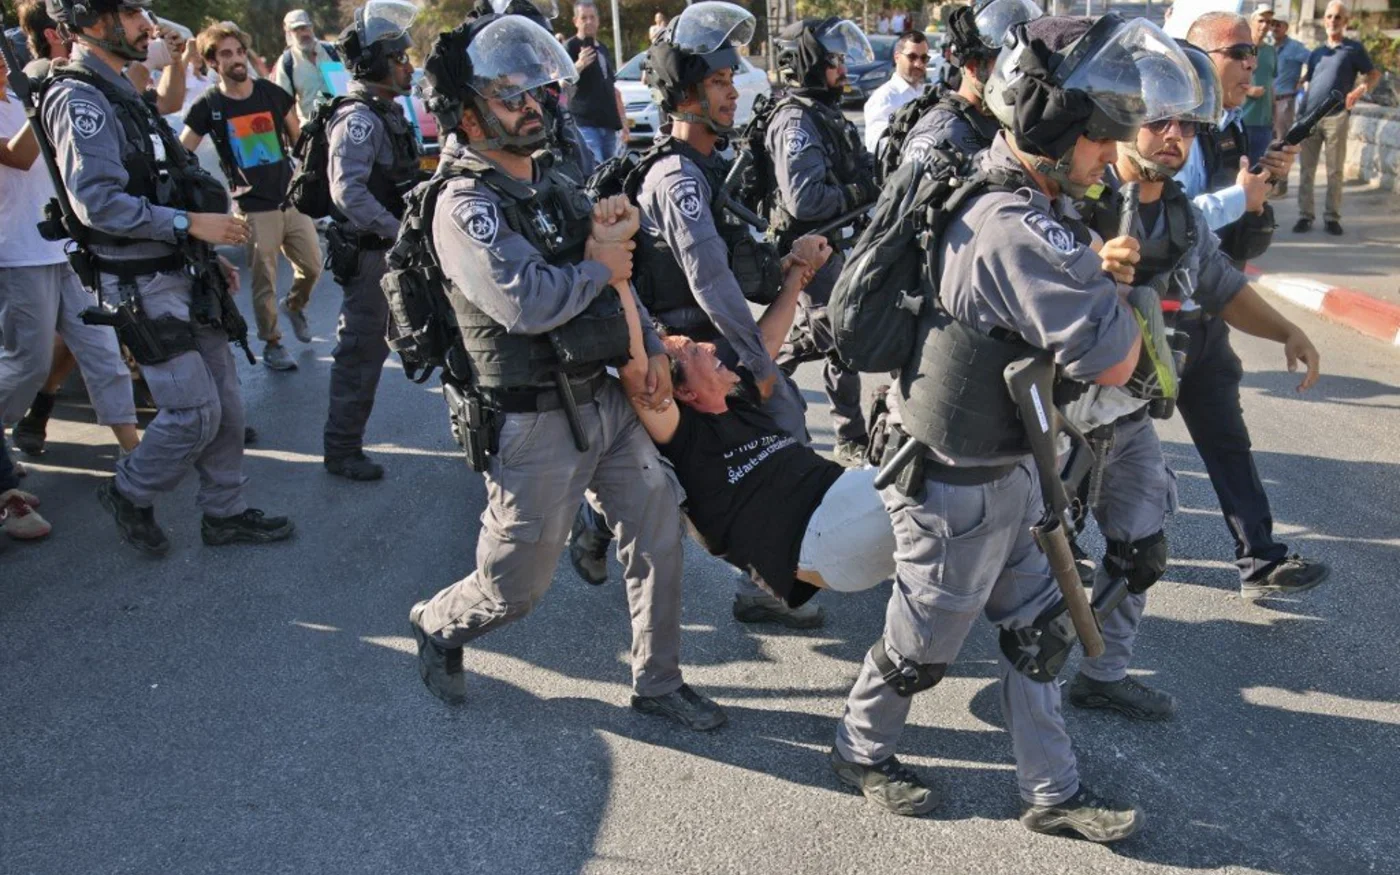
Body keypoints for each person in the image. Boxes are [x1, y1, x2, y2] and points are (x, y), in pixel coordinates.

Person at [829, 14, 1202, 840]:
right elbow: (1109, 359)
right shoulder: (1014, 224)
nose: (1111, 155)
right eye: (1099, 140)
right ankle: (859, 745)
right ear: (1057, 133)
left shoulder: (1028, 199)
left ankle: (1053, 791)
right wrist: (1112, 291)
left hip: (1006, 467)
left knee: (1037, 632)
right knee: (919, 649)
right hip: (953, 485)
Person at [405, 14, 725, 733]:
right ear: (466, 113)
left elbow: (620, 282)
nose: (533, 106)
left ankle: (659, 681)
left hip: (605, 396)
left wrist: (647, 347)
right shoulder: (465, 205)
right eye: (509, 96)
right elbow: (525, 301)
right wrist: (598, 264)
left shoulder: (554, 177)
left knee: (658, 523)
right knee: (514, 587)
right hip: (534, 421)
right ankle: (437, 622)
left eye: (535, 91)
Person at [1071, 44, 1322, 720]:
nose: (1175, 135)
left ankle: (1103, 671)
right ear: (1126, 122)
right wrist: (1092, 266)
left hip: (1124, 415)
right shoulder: (1072, 200)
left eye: (1186, 124)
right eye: (1159, 122)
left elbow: (1224, 287)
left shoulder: (1180, 216)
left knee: (1142, 547)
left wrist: (1288, 333)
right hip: (1052, 417)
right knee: (1028, 564)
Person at [568, 2, 827, 630]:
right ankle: (598, 521)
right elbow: (710, 279)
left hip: (707, 342)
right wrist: (758, 365)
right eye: (717, 82)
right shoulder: (676, 178)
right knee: (690, 468)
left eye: (731, 80)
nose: (731, 93)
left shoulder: (707, 168)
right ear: (684, 94)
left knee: (776, 432)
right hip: (671, 350)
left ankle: (768, 582)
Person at [38, 0, 293, 555]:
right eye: (128, 13)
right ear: (89, 21)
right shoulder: (78, 97)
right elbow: (98, 205)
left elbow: (164, 177)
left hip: (182, 267)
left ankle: (224, 512)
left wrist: (201, 248)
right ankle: (130, 491)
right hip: (141, 282)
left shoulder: (121, 90)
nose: (143, 24)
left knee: (226, 402)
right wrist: (189, 223)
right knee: (193, 411)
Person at [612, 231, 902, 604]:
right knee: (940, 488)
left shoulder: (740, 401)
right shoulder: (687, 437)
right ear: (682, 391)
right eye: (693, 351)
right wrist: (618, 279)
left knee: (971, 499)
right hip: (817, 536)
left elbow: (763, 344)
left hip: (841, 499)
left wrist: (798, 272)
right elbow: (637, 377)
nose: (708, 345)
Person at [1178, 10, 1328, 596]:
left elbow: (1234, 239)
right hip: (1147, 318)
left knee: (1226, 439)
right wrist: (1239, 198)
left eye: (1253, 52)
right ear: (1199, 59)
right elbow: (1176, 219)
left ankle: (1260, 560)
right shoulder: (1174, 124)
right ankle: (1048, 553)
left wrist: (1261, 193)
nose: (1250, 63)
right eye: (1237, 52)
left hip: (1206, 309)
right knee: (1101, 447)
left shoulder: (1235, 127)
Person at [768, 17, 877, 466]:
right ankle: (760, 367)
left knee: (838, 335)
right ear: (810, 64)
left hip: (836, 243)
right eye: (834, 61)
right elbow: (805, 199)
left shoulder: (824, 113)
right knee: (834, 333)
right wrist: (858, 192)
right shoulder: (795, 120)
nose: (842, 69)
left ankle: (848, 431)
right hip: (808, 248)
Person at [320, 0, 422, 481]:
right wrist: (398, 229)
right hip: (371, 256)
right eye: (399, 58)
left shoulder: (387, 109)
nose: (408, 64)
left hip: (395, 251)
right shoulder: (358, 117)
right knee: (362, 351)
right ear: (373, 64)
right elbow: (347, 192)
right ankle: (341, 450)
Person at [181, 21, 320, 372]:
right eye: (226, 54)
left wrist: (312, 178)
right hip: (254, 209)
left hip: (291, 198)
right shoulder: (208, 106)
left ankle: (295, 305)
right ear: (213, 63)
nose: (236, 59)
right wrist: (200, 193)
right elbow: (183, 152)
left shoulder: (272, 94)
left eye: (240, 51)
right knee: (264, 282)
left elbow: (299, 139)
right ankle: (273, 343)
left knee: (313, 266)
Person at [891, 0, 1040, 167]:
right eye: (1003, 65)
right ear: (972, 68)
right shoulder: (942, 137)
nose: (1017, 75)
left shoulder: (1008, 117)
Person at [466, 0, 595, 182]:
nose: (538, 56)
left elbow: (585, 164)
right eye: (529, 48)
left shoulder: (545, 100)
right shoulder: (483, 105)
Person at [1294, 0, 1379, 236]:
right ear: (1324, 20)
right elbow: (1309, 80)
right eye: (1329, 16)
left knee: (1334, 170)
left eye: (1338, 17)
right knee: (1306, 170)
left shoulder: (1353, 49)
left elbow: (1373, 74)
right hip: (1310, 117)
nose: (1333, 21)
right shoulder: (1317, 53)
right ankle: (1305, 215)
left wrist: (1358, 91)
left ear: (1346, 22)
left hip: (1336, 116)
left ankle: (1332, 217)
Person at [564, 1, 623, 164]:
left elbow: (611, 86)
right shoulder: (570, 47)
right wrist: (579, 65)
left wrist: (623, 122)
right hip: (585, 123)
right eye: (584, 18)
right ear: (575, 21)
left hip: (608, 122)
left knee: (612, 172)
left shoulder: (603, 48)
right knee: (594, 170)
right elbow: (560, 82)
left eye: (592, 17)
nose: (588, 22)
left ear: (598, 20)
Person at [861, 30, 928, 153]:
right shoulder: (884, 97)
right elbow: (877, 146)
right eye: (912, 57)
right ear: (897, 57)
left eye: (923, 58)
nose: (918, 64)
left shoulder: (927, 93)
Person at [272, 9, 340, 125]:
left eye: (304, 28)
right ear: (289, 33)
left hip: (342, 121)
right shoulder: (287, 62)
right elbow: (284, 107)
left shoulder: (332, 52)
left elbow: (346, 87)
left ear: (311, 27)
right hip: (313, 131)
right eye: (296, 30)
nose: (303, 34)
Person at [1270, 11, 1311, 182]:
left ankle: (1281, 183)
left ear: (1286, 27)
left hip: (1285, 100)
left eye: (1278, 24)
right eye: (1272, 24)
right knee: (1270, 143)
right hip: (1269, 102)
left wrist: (1303, 80)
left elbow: (1314, 62)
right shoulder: (1269, 48)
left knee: (1283, 143)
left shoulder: (1295, 47)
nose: (1274, 27)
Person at [1240, 4, 1275, 164]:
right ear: (1252, 22)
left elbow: (1272, 84)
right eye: (1261, 20)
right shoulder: (1240, 49)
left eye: (1268, 22)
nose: (1265, 25)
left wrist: (1274, 117)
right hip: (1241, 121)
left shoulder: (1271, 51)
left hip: (1263, 124)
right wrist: (1248, 90)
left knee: (1259, 170)